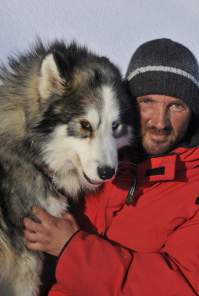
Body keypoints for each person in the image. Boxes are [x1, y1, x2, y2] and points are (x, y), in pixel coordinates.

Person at [24, 38, 199, 295]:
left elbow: (180, 288)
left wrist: (71, 249)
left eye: (176, 105)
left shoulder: (193, 190)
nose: (160, 122)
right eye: (147, 101)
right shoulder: (94, 155)